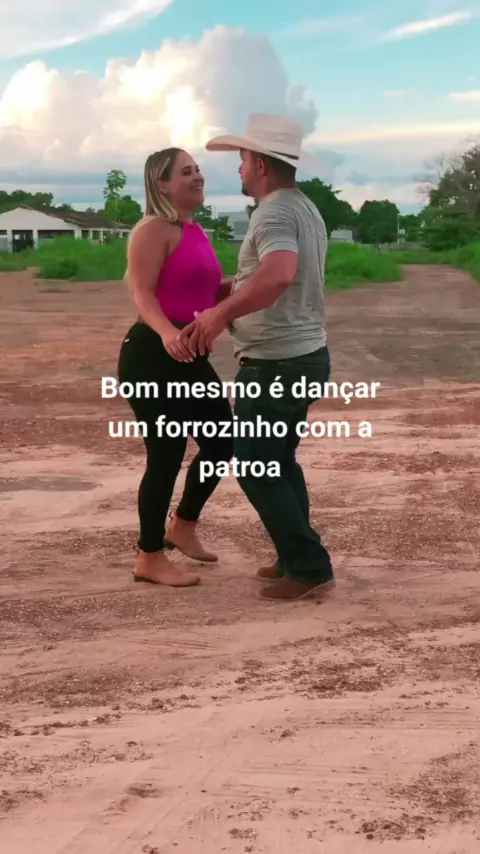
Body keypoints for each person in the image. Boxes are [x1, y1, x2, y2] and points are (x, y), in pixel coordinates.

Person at [178, 114, 335, 602]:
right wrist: (225, 288)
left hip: (276, 363)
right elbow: (275, 274)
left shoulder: (273, 214)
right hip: (302, 356)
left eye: (244, 159)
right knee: (279, 462)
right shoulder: (302, 207)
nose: (239, 168)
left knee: (255, 466)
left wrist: (220, 315)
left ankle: (308, 567)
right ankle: (293, 557)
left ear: (262, 165)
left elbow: (280, 273)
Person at [117, 147, 234, 587]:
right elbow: (142, 292)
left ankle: (182, 526)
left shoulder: (194, 230)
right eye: (187, 172)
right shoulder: (153, 228)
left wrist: (245, 289)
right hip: (153, 352)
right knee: (165, 455)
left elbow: (204, 291)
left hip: (189, 351)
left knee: (222, 443)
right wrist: (168, 333)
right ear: (162, 184)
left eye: (198, 170)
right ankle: (149, 556)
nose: (198, 177)